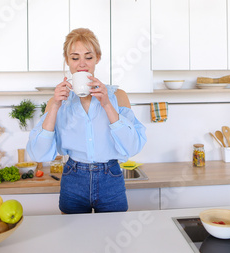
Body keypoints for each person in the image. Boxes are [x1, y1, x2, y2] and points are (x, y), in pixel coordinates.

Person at [26, 28, 147, 214]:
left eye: (88, 57)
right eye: (75, 58)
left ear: (97, 58)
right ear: (67, 60)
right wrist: (55, 106)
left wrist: (106, 104)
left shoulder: (117, 97)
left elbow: (133, 146)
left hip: (111, 178)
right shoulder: (58, 102)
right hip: (73, 179)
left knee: (113, 237)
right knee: (72, 240)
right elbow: (38, 154)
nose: (82, 64)